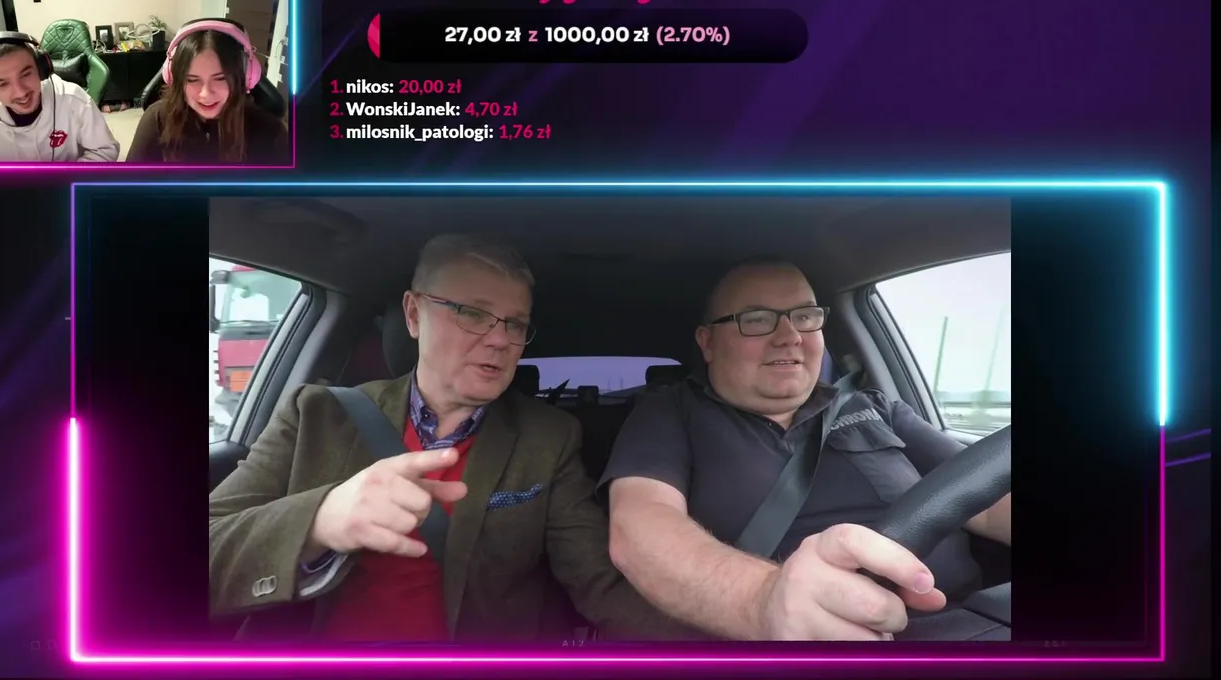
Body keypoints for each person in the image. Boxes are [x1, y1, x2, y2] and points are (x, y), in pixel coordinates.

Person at [209, 234, 689, 642]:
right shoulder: (315, 413)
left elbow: (599, 584)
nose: (500, 339)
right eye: (472, 313)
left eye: (515, 324)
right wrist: (320, 519)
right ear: (413, 314)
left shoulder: (548, 437)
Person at [602, 259, 1012, 641]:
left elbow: (988, 500)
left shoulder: (875, 408)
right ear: (707, 343)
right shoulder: (669, 412)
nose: (789, 336)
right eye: (757, 320)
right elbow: (641, 525)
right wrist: (764, 599)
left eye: (804, 316)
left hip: (979, 621)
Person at [126, 19, 288, 164]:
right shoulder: (157, 119)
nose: (206, 94)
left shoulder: (270, 131)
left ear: (244, 76)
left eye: (220, 78)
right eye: (192, 80)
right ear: (176, 80)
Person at [0, 32, 119, 162]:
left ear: (41, 70)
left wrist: (65, 178)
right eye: (2, 84)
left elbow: (105, 149)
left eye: (26, 74)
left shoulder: (74, 100)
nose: (20, 92)